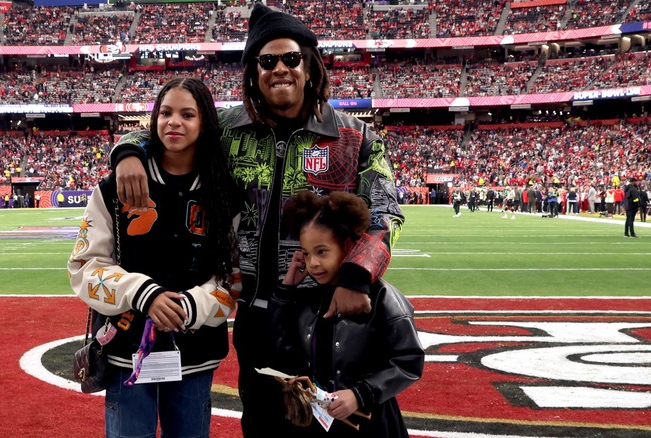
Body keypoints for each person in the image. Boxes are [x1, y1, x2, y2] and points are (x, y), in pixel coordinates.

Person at [109, 4, 405, 436]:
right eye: (267, 61)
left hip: (331, 316)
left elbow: (386, 212)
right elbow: (171, 127)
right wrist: (129, 151)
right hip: (257, 315)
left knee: (340, 428)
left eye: (291, 58)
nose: (280, 69)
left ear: (310, 65)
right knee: (266, 426)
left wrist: (358, 276)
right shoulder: (227, 130)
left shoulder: (354, 137)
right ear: (253, 71)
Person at [68, 77, 240, 438]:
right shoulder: (113, 186)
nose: (174, 122)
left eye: (187, 114)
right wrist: (143, 293)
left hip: (195, 354)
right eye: (165, 112)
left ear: (204, 122)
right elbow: (84, 268)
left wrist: (191, 307)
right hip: (125, 352)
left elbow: (234, 276)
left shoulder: (224, 192)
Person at [270, 191, 424, 437]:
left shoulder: (382, 296)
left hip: (371, 425)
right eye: (307, 253)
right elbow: (281, 352)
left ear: (349, 247)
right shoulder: (308, 297)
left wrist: (359, 395)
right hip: (319, 425)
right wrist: (286, 291)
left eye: (322, 252)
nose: (313, 264)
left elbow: (409, 362)